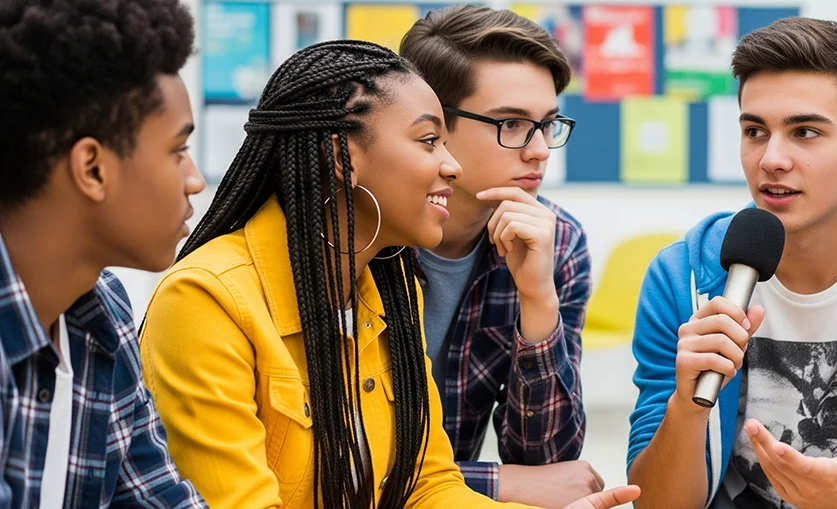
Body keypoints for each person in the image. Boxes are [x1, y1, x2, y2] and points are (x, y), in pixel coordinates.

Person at [138, 40, 637, 509]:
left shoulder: (385, 288)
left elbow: (425, 486)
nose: (451, 166)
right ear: (341, 155)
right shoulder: (205, 300)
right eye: (428, 141)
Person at [626, 17, 837, 509]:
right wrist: (686, 407)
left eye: (804, 131)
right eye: (754, 130)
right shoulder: (681, 280)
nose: (771, 159)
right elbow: (656, 503)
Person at [0, 0, 207, 506]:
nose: (195, 180)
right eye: (177, 150)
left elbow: (159, 495)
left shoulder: (103, 314)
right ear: (92, 168)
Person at [399, 6, 596, 507]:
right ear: (433, 125)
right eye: (511, 123)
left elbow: (550, 467)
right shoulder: (362, 234)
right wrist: (498, 483)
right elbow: (326, 463)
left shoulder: (557, 241)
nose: (540, 151)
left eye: (548, 124)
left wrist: (538, 301)